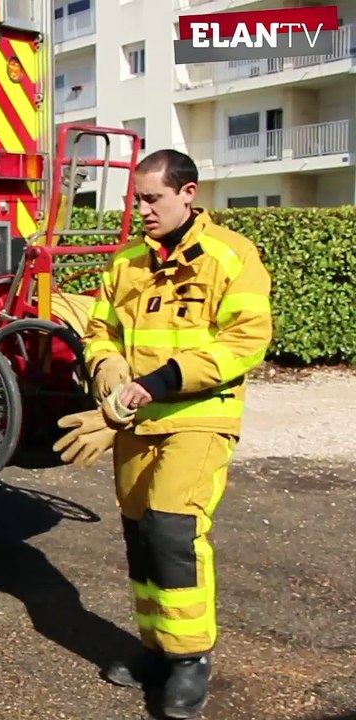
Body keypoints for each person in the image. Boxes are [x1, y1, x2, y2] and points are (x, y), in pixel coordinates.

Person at [80, 149, 273, 718]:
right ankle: (156, 648)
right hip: (136, 421)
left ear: (188, 194)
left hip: (200, 415)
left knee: (172, 528)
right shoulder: (128, 263)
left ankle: (190, 661)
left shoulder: (233, 257)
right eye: (135, 199)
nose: (141, 210)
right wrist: (110, 373)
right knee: (139, 533)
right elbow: (99, 330)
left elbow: (245, 342)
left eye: (152, 199)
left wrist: (160, 381)